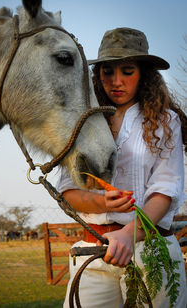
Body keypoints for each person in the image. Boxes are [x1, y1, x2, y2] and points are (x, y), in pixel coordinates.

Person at [56, 27, 187, 308]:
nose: (116, 82)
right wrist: (101, 201)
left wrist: (129, 234)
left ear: (144, 74)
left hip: (150, 251)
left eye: (127, 71)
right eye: (107, 72)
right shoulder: (83, 123)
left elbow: (165, 189)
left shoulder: (166, 121)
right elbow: (68, 190)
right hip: (93, 250)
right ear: (97, 74)